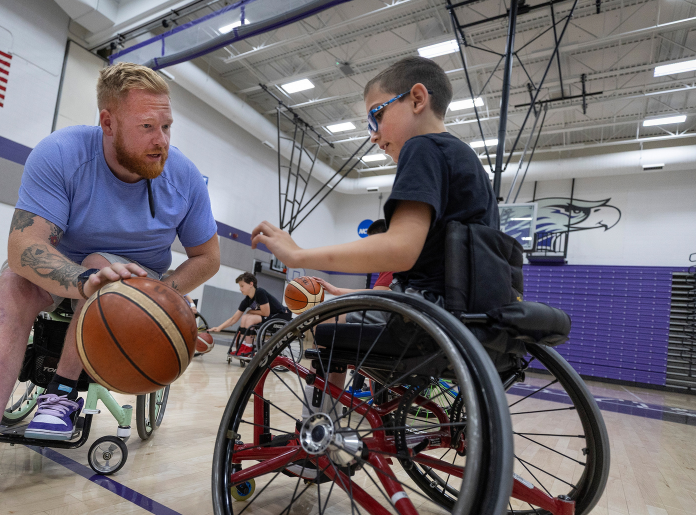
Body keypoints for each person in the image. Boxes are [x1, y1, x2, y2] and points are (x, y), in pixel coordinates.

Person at [0, 62, 220, 515]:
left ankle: (63, 392)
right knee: (17, 280)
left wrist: (159, 296)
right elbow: (23, 247)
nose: (161, 139)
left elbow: (207, 257)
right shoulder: (60, 154)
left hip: (136, 285)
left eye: (166, 126)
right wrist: (84, 280)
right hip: (66, 272)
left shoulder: (184, 177)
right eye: (146, 127)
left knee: (106, 270)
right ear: (108, 122)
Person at [251, 56, 498, 411]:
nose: (373, 134)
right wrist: (350, 292)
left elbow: (401, 249)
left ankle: (318, 441)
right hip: (462, 315)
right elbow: (436, 275)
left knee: (318, 321)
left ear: (417, 99)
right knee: (336, 305)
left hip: (424, 322)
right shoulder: (465, 159)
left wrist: (299, 255)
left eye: (376, 116)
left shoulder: (422, 147)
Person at [208, 272, 290, 357]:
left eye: (242, 286)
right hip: (268, 316)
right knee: (244, 318)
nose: (240, 289)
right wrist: (219, 328)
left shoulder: (260, 292)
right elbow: (234, 319)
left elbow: (266, 312)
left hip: (280, 315)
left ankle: (248, 347)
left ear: (251, 284)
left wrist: (251, 312)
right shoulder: (246, 300)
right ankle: (243, 347)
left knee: (250, 318)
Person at [311, 219, 393, 297]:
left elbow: (376, 294)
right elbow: (377, 292)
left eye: (371, 242)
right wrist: (336, 291)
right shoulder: (391, 262)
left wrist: (337, 291)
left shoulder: (393, 262)